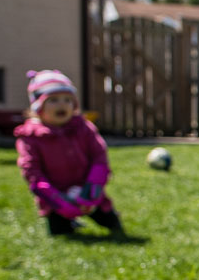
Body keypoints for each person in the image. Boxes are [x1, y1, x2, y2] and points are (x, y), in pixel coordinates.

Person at [15, 69, 123, 237]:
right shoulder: (31, 136)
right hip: (56, 196)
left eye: (67, 100)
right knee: (61, 233)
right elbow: (31, 169)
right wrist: (53, 197)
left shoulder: (84, 128)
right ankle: (68, 223)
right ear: (38, 107)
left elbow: (99, 155)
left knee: (110, 222)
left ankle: (111, 219)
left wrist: (93, 186)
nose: (62, 105)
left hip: (88, 189)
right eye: (53, 100)